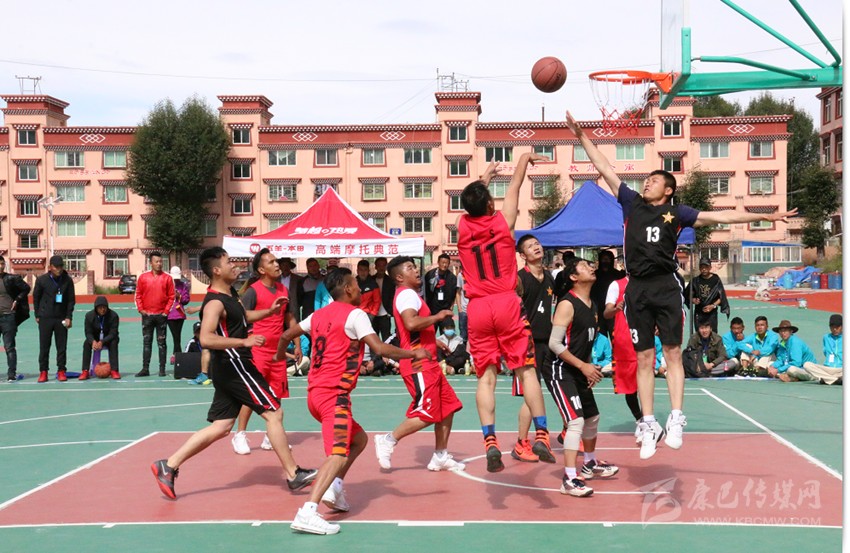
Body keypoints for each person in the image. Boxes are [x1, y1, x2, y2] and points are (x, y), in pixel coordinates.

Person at [565, 111, 796, 460]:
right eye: (646, 180)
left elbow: (722, 215)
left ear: (668, 189)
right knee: (644, 358)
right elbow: (604, 168)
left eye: (654, 181)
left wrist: (764, 215)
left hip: (666, 286)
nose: (647, 184)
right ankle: (647, 423)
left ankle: (675, 417)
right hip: (637, 288)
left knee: (672, 352)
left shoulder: (678, 213)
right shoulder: (631, 203)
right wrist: (582, 135)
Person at [150, 247, 316, 502]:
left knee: (222, 426)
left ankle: (168, 465)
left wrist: (269, 312)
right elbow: (206, 338)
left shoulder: (230, 294)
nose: (235, 265)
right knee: (274, 413)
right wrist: (243, 342)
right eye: (229, 262)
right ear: (217, 270)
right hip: (235, 363)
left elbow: (244, 316)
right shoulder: (215, 302)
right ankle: (293, 473)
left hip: (229, 367)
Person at [275, 267, 431, 535]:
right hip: (333, 396)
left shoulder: (318, 315)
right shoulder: (355, 315)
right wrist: (413, 354)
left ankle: (334, 489)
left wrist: (280, 357)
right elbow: (379, 348)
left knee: (358, 440)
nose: (360, 288)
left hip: (315, 395)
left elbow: (286, 335)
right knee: (337, 454)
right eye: (356, 284)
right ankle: (307, 512)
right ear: (347, 289)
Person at [458, 153, 554, 473]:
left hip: (478, 307)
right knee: (527, 371)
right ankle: (541, 434)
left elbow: (472, 199)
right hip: (506, 302)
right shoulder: (502, 223)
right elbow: (515, 186)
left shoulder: (462, 227)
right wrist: (523, 159)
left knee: (486, 378)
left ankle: (490, 441)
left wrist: (484, 177)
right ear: (489, 205)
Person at [373, 256, 465, 472]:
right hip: (418, 365)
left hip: (427, 361)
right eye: (410, 268)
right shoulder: (406, 295)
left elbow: (414, 329)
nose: (416, 271)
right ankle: (388, 439)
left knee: (448, 407)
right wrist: (438, 317)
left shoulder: (409, 295)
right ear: (399, 277)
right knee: (427, 412)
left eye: (415, 266)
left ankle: (440, 455)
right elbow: (411, 323)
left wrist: (434, 341)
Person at [547, 257, 619, 497]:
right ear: (573, 277)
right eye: (584, 266)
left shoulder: (592, 305)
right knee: (575, 421)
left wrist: (589, 368)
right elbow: (555, 344)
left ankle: (589, 463)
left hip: (579, 369)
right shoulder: (567, 304)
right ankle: (569, 479)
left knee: (592, 417)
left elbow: (583, 342)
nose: (591, 267)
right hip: (560, 370)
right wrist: (583, 366)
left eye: (591, 265)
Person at [232, 248, 294, 454]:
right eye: (271, 262)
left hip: (278, 352)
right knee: (253, 394)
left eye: (277, 261)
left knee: (277, 393)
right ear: (261, 269)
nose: (277, 264)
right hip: (258, 351)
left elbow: (289, 317)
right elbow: (240, 317)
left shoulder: (283, 290)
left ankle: (271, 436)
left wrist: (297, 340)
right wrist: (245, 341)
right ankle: (240, 434)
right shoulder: (253, 291)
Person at [512, 234, 558, 464]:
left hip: (548, 342)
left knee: (561, 385)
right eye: (530, 246)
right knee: (532, 394)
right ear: (523, 255)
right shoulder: (520, 279)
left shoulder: (549, 277)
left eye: (537, 244)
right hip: (525, 343)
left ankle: (568, 431)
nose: (536, 247)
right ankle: (521, 443)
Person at [603, 275, 643, 427]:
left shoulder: (648, 283)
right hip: (624, 343)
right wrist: (616, 309)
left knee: (645, 383)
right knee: (630, 388)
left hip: (644, 339)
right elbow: (606, 313)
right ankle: (640, 419)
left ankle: (648, 419)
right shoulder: (616, 285)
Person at [33, 255, 76, 383]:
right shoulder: (42, 280)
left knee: (61, 347)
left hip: (61, 318)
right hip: (45, 318)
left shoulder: (67, 280)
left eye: (61, 266)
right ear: (50, 267)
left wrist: (68, 317)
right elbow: (36, 298)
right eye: (56, 267)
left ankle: (61, 370)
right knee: (44, 346)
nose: (59, 269)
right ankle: (43, 371)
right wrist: (37, 315)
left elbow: (71, 300)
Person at [135, 252, 175, 377]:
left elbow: (172, 296)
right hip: (147, 316)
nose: (159, 264)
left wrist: (166, 312)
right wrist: (141, 309)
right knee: (147, 342)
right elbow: (138, 295)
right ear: (150, 263)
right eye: (156, 261)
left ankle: (162, 369)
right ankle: (145, 369)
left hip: (161, 316)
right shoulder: (143, 278)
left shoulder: (167, 278)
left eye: (161, 261)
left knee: (161, 343)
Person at [772, 319, 843, 384]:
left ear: (791, 331)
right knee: (772, 364)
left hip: (809, 371)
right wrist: (772, 367)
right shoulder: (826, 337)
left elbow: (796, 363)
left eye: (785, 331)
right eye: (781, 331)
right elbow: (780, 359)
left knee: (792, 369)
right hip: (827, 368)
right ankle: (833, 379)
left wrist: (778, 370)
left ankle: (829, 379)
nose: (783, 333)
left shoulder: (795, 342)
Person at [0, 255, 31, 382]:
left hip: (8, 316)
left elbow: (26, 288)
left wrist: (17, 300)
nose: (1, 266)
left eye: (2, 264)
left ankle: (11, 374)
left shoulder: (11, 279)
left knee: (9, 347)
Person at [684, 257, 729, 333]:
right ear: (699, 268)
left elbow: (721, 297)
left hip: (712, 314)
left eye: (706, 267)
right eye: (702, 267)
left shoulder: (716, 280)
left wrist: (712, 306)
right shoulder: (695, 281)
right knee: (699, 334)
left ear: (710, 267)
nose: (704, 269)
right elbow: (686, 295)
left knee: (712, 334)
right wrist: (693, 300)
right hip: (699, 313)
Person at [80, 296, 121, 380]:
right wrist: (93, 341)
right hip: (95, 338)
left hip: (108, 339)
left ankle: (114, 370)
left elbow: (113, 333)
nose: (103, 309)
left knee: (114, 342)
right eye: (100, 308)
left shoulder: (113, 316)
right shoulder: (89, 316)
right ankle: (85, 371)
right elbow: (88, 332)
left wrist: (102, 341)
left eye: (104, 307)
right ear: (96, 308)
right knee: (86, 343)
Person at [590, 249, 625, 337]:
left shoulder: (618, 275)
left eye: (608, 259)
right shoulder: (595, 275)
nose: (605, 262)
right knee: (600, 337)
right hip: (598, 309)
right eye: (603, 259)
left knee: (615, 335)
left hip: (614, 309)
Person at [423, 253, 457, 333]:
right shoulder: (430, 275)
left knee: (448, 334)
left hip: (445, 310)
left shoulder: (452, 278)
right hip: (432, 310)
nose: (444, 265)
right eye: (443, 262)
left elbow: (454, 293)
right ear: (438, 262)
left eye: (446, 263)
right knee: (429, 334)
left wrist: (451, 306)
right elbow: (425, 291)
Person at [167, 266, 191, 366]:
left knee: (178, 336)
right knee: (175, 336)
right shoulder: (167, 285)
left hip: (180, 314)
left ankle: (176, 355)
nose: (175, 280)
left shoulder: (183, 285)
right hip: (169, 314)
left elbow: (186, 300)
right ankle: (178, 356)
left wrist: (179, 296)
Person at [371, 256, 394, 341]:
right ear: (375, 267)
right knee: (373, 339)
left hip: (385, 314)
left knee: (386, 339)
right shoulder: (371, 280)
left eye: (383, 265)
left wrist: (390, 311)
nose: (381, 268)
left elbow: (392, 296)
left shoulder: (390, 281)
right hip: (373, 314)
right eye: (379, 265)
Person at [185, 321, 212, 386]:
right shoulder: (192, 342)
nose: (200, 333)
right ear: (194, 333)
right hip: (196, 367)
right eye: (198, 332)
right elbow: (185, 356)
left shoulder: (211, 341)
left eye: (201, 331)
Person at [278, 257, 301, 322]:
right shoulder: (275, 280)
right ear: (280, 267)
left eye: (287, 265)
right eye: (283, 265)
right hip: (279, 308)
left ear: (290, 267)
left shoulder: (298, 279)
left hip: (293, 308)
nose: (285, 267)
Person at [455, 264, 469, 342]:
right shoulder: (460, 275)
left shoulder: (475, 275)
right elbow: (458, 292)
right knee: (463, 336)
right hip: (463, 310)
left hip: (475, 310)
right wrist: (459, 308)